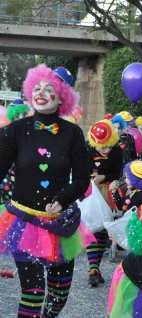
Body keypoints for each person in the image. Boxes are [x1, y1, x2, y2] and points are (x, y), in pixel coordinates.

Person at [0, 64, 93, 317]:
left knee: (59, 296)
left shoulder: (72, 133)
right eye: (37, 88)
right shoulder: (15, 130)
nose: (41, 92)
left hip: (60, 224)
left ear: (62, 97)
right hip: (24, 222)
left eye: (48, 88)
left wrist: (63, 200)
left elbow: (83, 179)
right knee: (32, 293)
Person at [85, 119, 123, 287]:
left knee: (102, 230)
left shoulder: (117, 151)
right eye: (102, 147)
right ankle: (93, 268)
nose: (106, 150)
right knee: (92, 228)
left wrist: (104, 177)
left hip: (107, 192)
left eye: (109, 146)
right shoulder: (86, 149)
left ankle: (95, 268)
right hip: (89, 192)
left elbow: (117, 172)